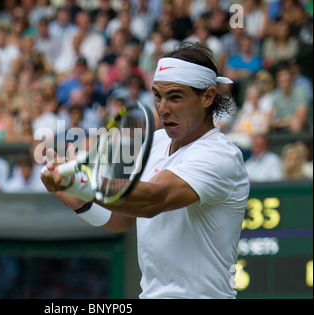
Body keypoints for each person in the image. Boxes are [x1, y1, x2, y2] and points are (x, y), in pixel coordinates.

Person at [41, 43, 250, 299]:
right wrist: (75, 197)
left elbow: (153, 199)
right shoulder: (157, 142)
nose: (163, 108)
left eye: (175, 97)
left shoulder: (220, 155)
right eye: (157, 96)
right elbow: (124, 218)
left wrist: (84, 182)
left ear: (207, 97)